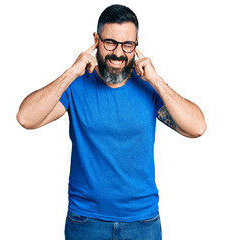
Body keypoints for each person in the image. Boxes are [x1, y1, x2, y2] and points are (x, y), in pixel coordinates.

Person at [16, 4, 207, 240]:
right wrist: (71, 72)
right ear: (96, 40)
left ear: (136, 44)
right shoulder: (76, 85)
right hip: (86, 221)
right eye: (110, 43)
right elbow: (26, 118)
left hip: (142, 221)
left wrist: (157, 81)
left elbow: (197, 128)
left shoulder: (149, 86)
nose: (119, 53)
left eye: (128, 45)